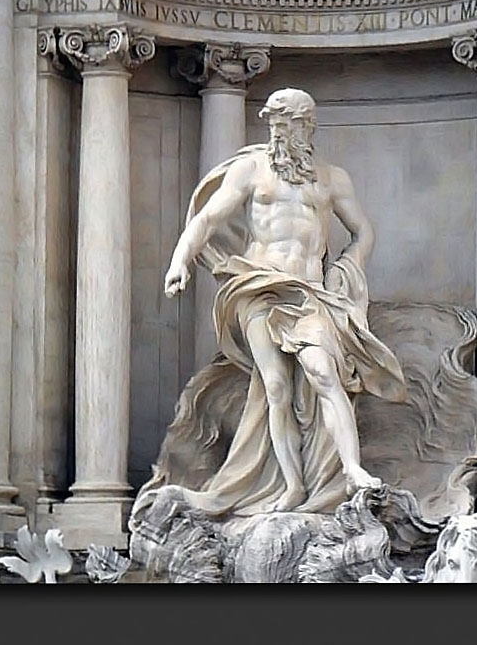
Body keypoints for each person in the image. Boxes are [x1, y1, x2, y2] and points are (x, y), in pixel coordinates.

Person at [163, 87, 406, 515]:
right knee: (275, 386)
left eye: (287, 124)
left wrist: (347, 265)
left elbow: (363, 231)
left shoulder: (332, 178)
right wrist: (179, 260)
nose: (279, 132)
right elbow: (207, 218)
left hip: (310, 291)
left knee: (323, 372)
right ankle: (292, 485)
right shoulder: (251, 170)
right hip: (258, 286)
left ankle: (352, 469)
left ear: (306, 127)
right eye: (274, 124)